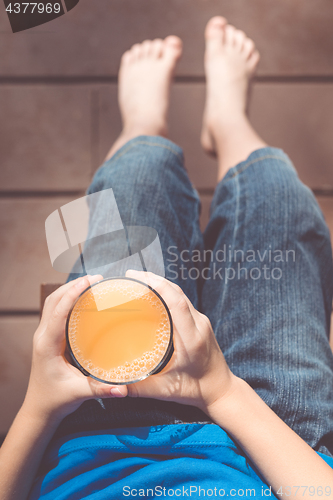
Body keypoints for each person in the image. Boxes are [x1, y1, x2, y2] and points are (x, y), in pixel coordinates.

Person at [1, 16, 333, 500]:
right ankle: (229, 124)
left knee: (136, 180)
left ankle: (141, 127)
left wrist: (39, 404)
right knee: (278, 198)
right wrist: (222, 393)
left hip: (103, 429)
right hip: (275, 453)